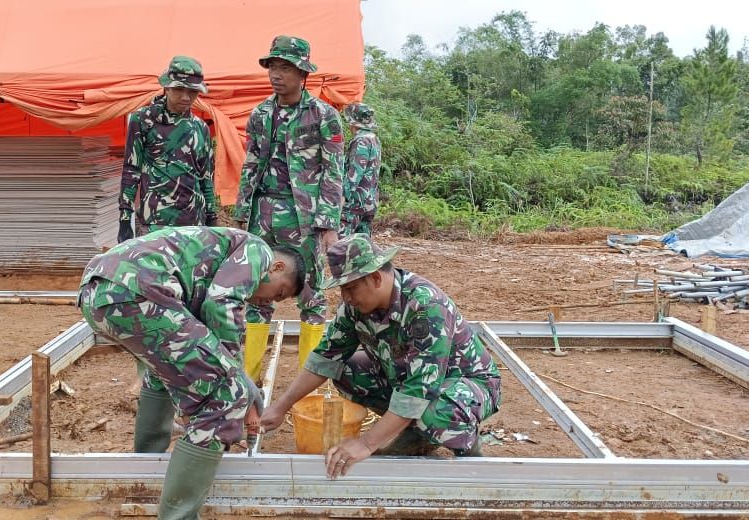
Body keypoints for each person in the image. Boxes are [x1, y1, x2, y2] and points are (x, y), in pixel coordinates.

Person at [77, 226, 304, 518]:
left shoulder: (216, 257)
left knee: (163, 372)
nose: (268, 301)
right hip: (142, 289)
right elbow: (222, 303)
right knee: (228, 396)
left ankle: (146, 472)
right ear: (278, 266)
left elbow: (195, 352)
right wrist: (237, 378)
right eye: (279, 293)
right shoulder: (258, 250)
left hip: (98, 292)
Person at [259, 234, 502, 479]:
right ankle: (415, 432)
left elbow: (419, 389)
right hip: (407, 380)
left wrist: (366, 443)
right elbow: (325, 359)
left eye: (350, 288)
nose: (346, 297)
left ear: (375, 278)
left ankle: (466, 447)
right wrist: (281, 407)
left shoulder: (425, 306)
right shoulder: (355, 308)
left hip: (467, 386)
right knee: (347, 372)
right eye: (343, 289)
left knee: (434, 411)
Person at [234, 35, 345, 377]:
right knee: (257, 292)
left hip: (305, 220)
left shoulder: (324, 116)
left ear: (302, 73)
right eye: (273, 67)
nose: (276, 75)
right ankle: (249, 377)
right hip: (263, 216)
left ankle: (305, 381)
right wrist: (241, 216)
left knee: (311, 296)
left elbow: (333, 171)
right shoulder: (261, 114)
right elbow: (250, 164)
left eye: (285, 68)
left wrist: (328, 225)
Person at [118, 56, 217, 243]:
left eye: (193, 91)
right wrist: (124, 220)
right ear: (167, 87)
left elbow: (206, 178)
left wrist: (212, 218)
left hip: (194, 222)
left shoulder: (200, 127)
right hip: (155, 221)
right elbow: (131, 170)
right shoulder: (143, 120)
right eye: (179, 89)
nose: (186, 97)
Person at [339, 102, 381, 236]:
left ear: (352, 122)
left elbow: (355, 173)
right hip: (370, 201)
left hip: (355, 203)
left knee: (341, 246)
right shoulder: (374, 139)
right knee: (362, 247)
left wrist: (343, 197)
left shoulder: (360, 141)